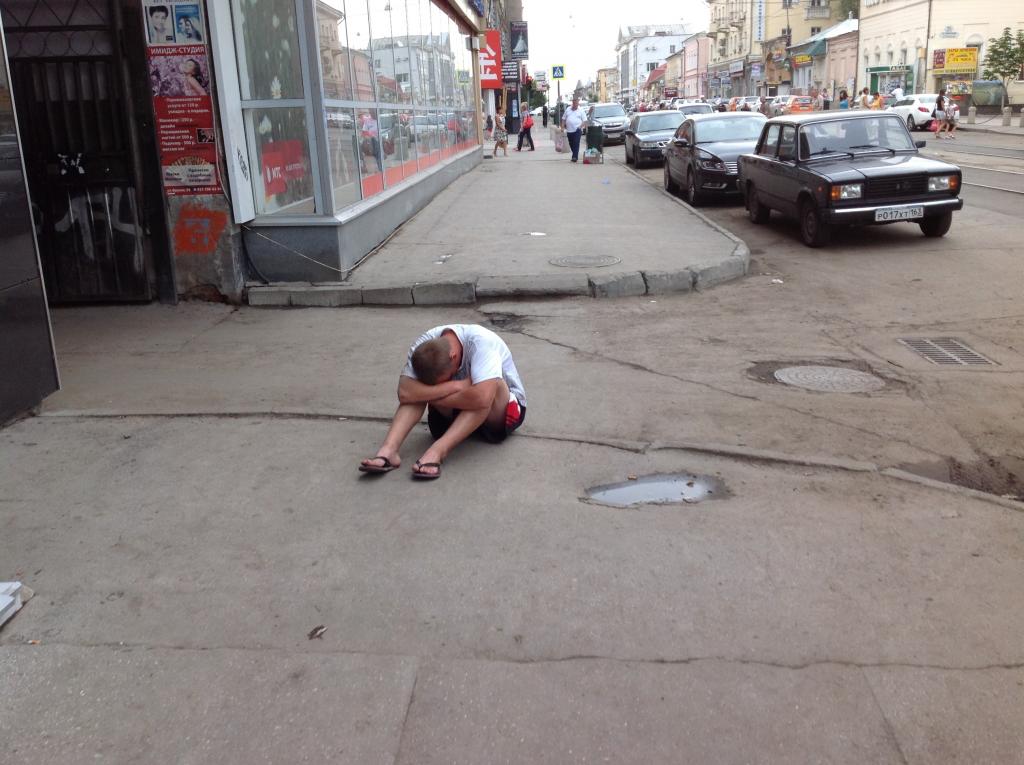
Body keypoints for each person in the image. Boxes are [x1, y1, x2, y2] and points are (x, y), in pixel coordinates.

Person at [358, 324, 527, 480]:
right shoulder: (424, 343)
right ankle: (388, 451)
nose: (445, 382)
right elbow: (405, 392)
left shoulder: (483, 342)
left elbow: (482, 397)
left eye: (448, 377)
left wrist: (431, 394)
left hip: (500, 413)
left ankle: (436, 452)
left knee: (487, 388)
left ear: (453, 356)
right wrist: (455, 385)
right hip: (454, 411)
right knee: (418, 387)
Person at [561, 95, 586, 163]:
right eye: (574, 103)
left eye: (576, 103)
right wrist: (562, 127)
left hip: (577, 129)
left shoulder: (581, 110)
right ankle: (575, 154)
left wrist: (580, 127)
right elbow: (563, 119)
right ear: (572, 103)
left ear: (578, 103)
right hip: (569, 130)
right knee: (571, 143)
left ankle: (574, 157)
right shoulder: (568, 109)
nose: (575, 104)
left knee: (576, 143)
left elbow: (584, 121)